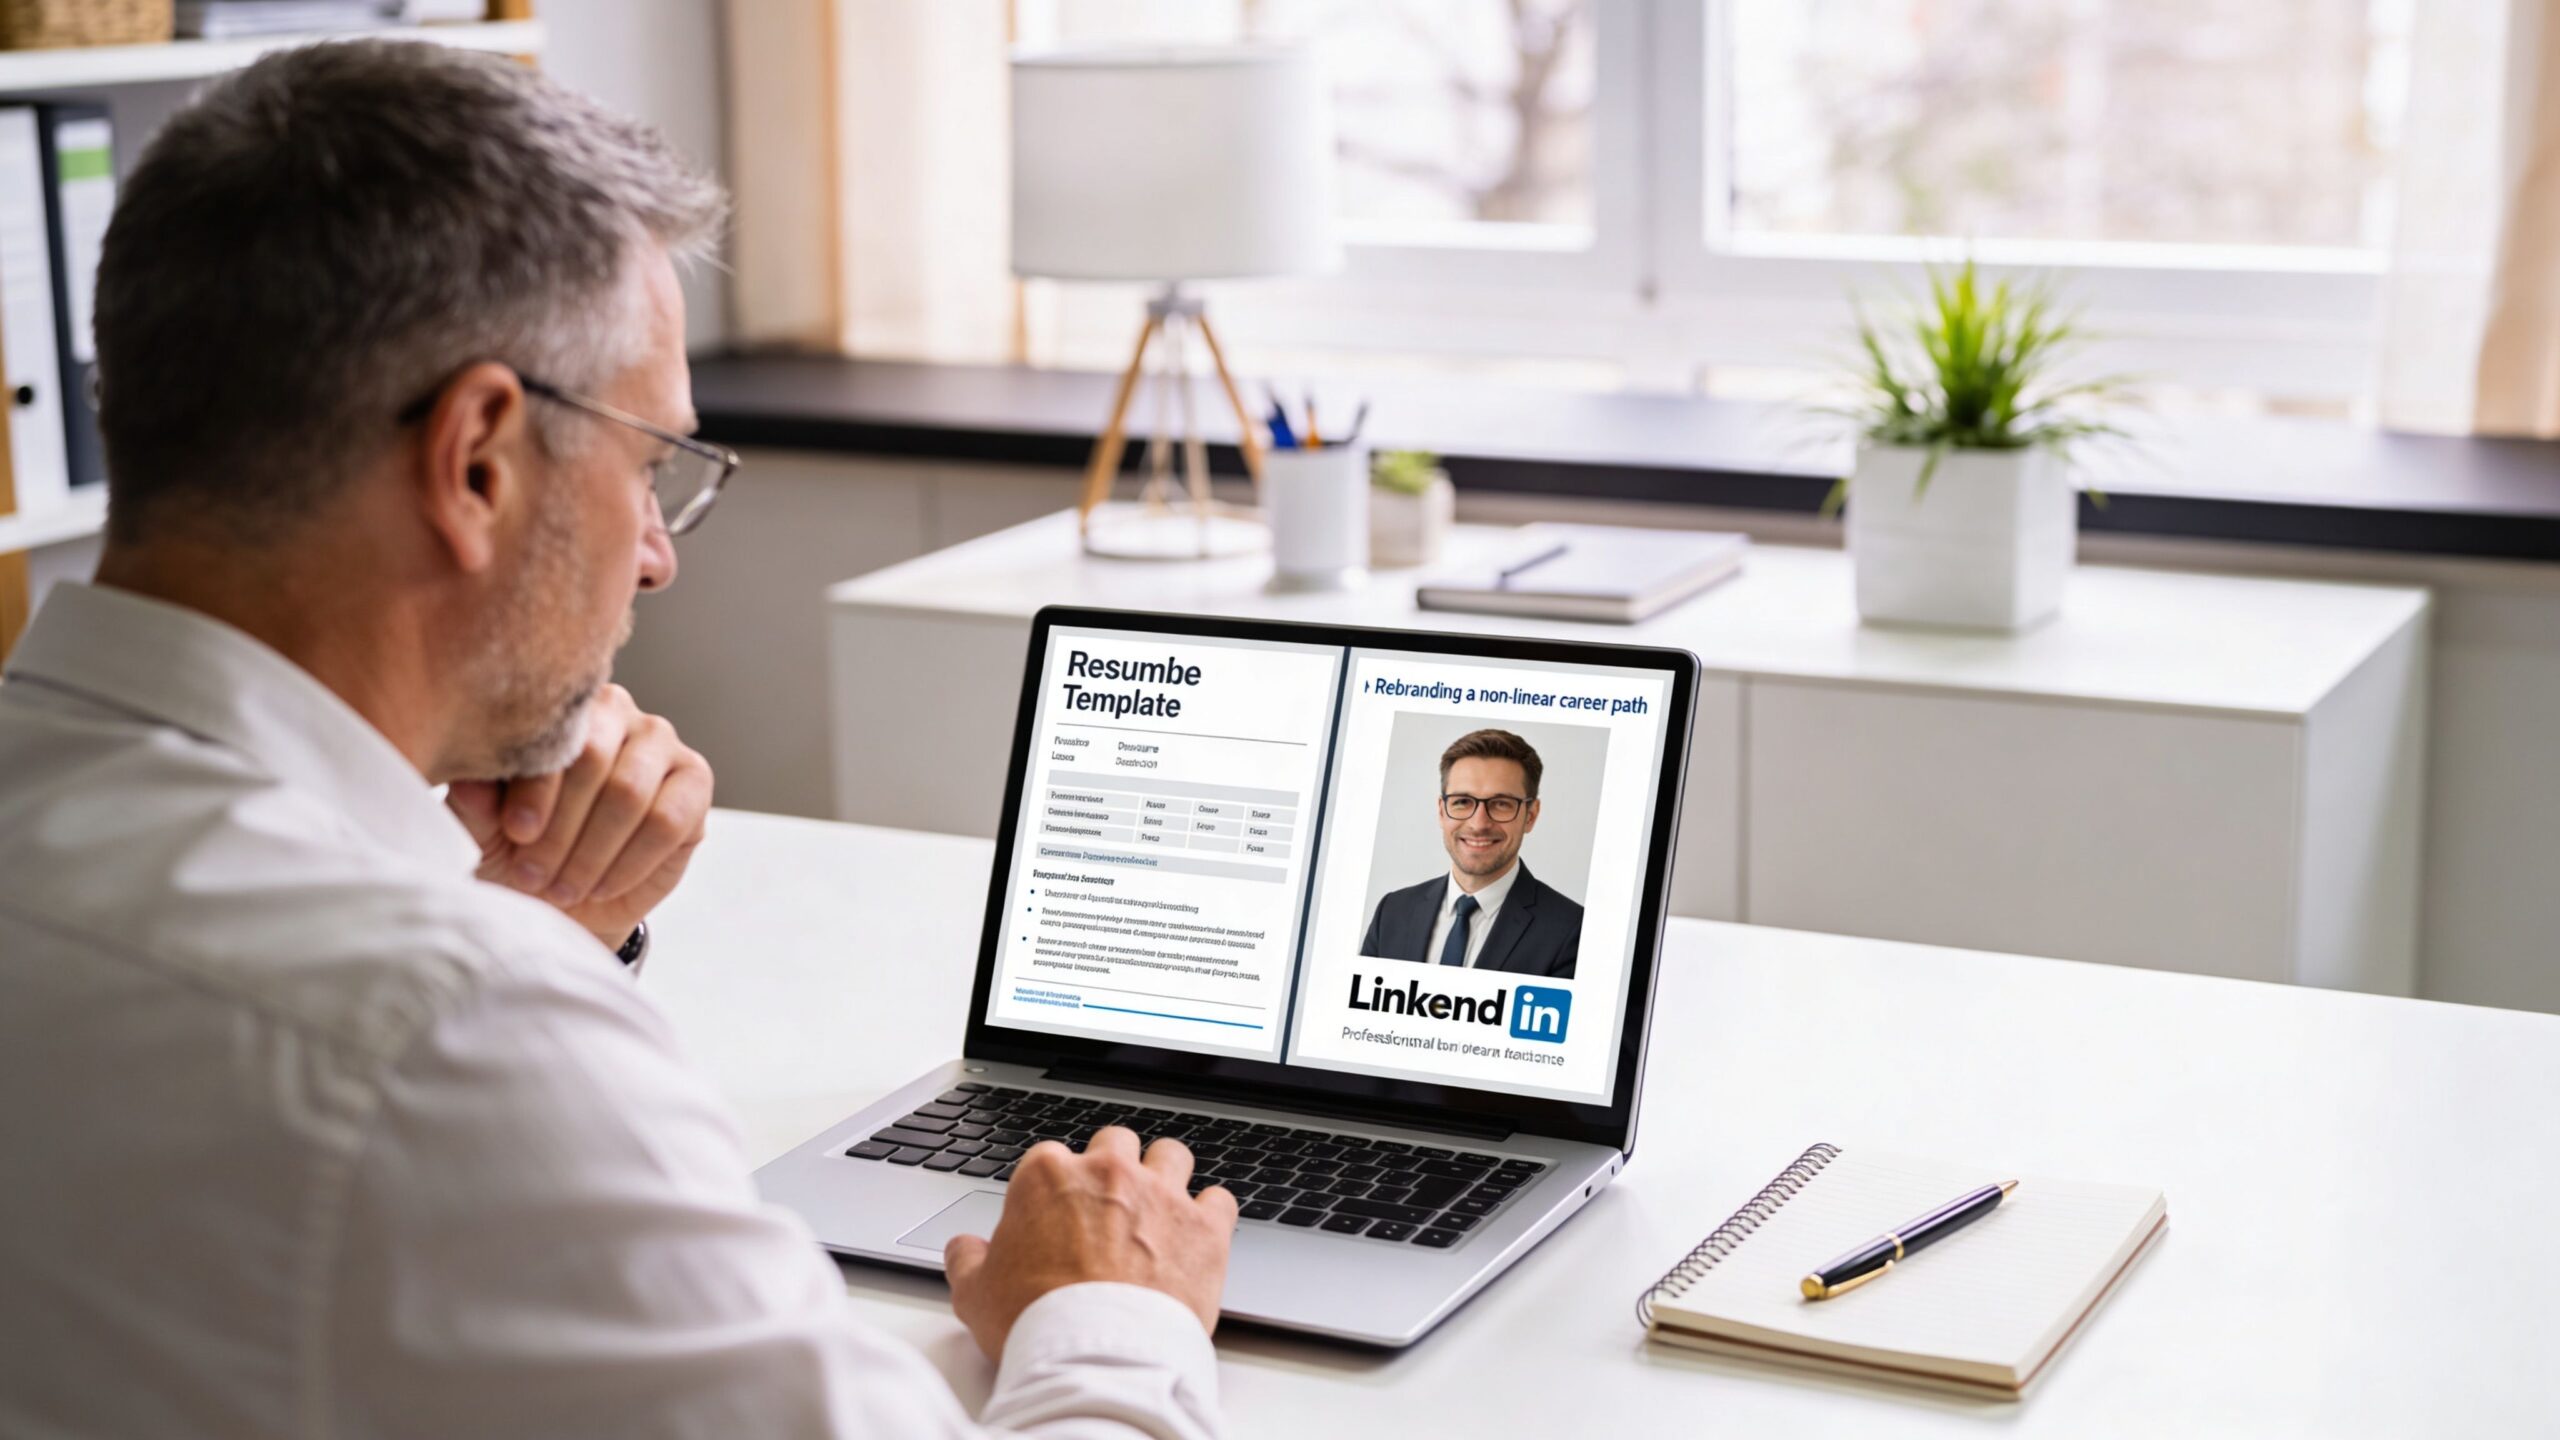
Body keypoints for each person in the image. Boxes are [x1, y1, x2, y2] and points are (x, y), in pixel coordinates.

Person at [0, 42, 1234, 1439]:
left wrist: (520, 928)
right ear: (476, 461)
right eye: (650, 466)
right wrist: (1108, 1312)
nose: (656, 557)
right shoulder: (442, 1035)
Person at [1360, 728, 1583, 980]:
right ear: (1442, 811)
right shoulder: (1392, 911)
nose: (1478, 824)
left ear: (1530, 815)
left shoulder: (1572, 931)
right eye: (1462, 801)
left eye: (1501, 804)